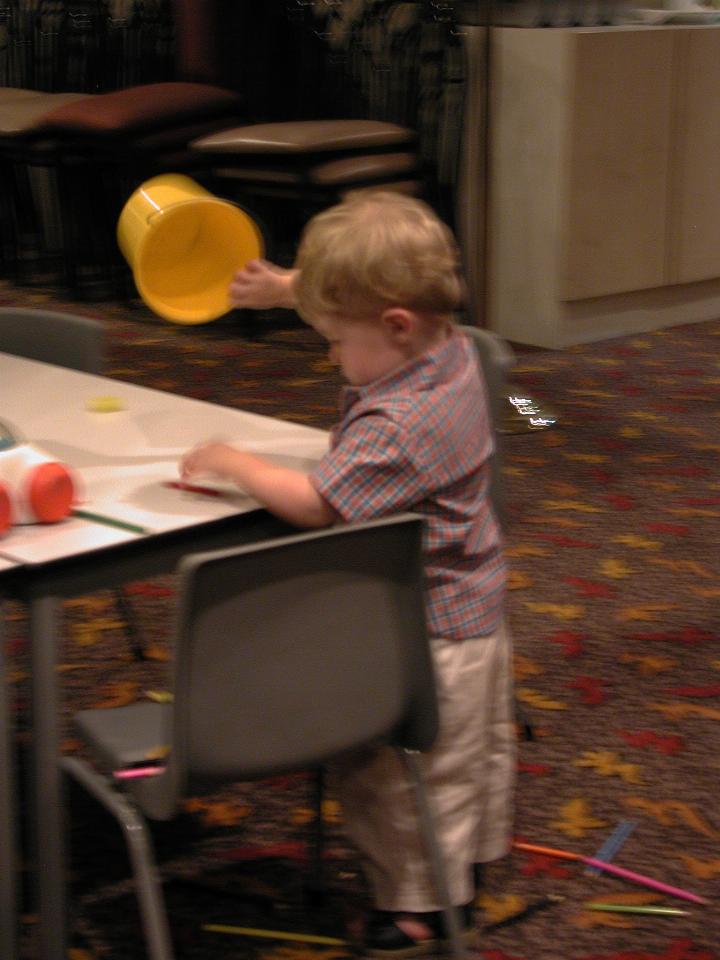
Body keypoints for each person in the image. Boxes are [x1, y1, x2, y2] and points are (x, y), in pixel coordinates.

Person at [180, 191, 515, 956]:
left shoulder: (403, 424)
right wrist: (287, 287)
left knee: (402, 778)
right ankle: (459, 873)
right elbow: (374, 298)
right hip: (472, 606)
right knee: (464, 758)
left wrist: (235, 461)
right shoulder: (451, 345)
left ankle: (419, 911)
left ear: (395, 324)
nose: (330, 355)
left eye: (334, 341)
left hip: (426, 628)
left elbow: (313, 502)